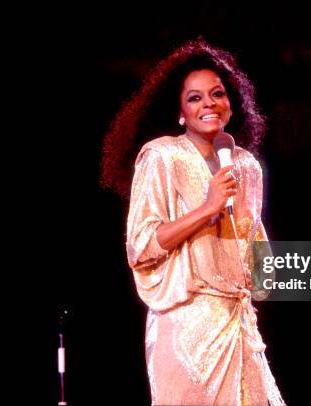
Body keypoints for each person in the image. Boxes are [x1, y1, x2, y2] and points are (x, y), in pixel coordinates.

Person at [101, 38, 286, 405]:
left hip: (239, 325)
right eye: (195, 98)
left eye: (217, 94)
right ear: (180, 112)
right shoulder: (161, 157)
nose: (209, 104)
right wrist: (206, 208)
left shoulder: (246, 166)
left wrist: (266, 267)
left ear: (231, 104)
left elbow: (256, 254)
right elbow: (142, 246)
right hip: (187, 327)